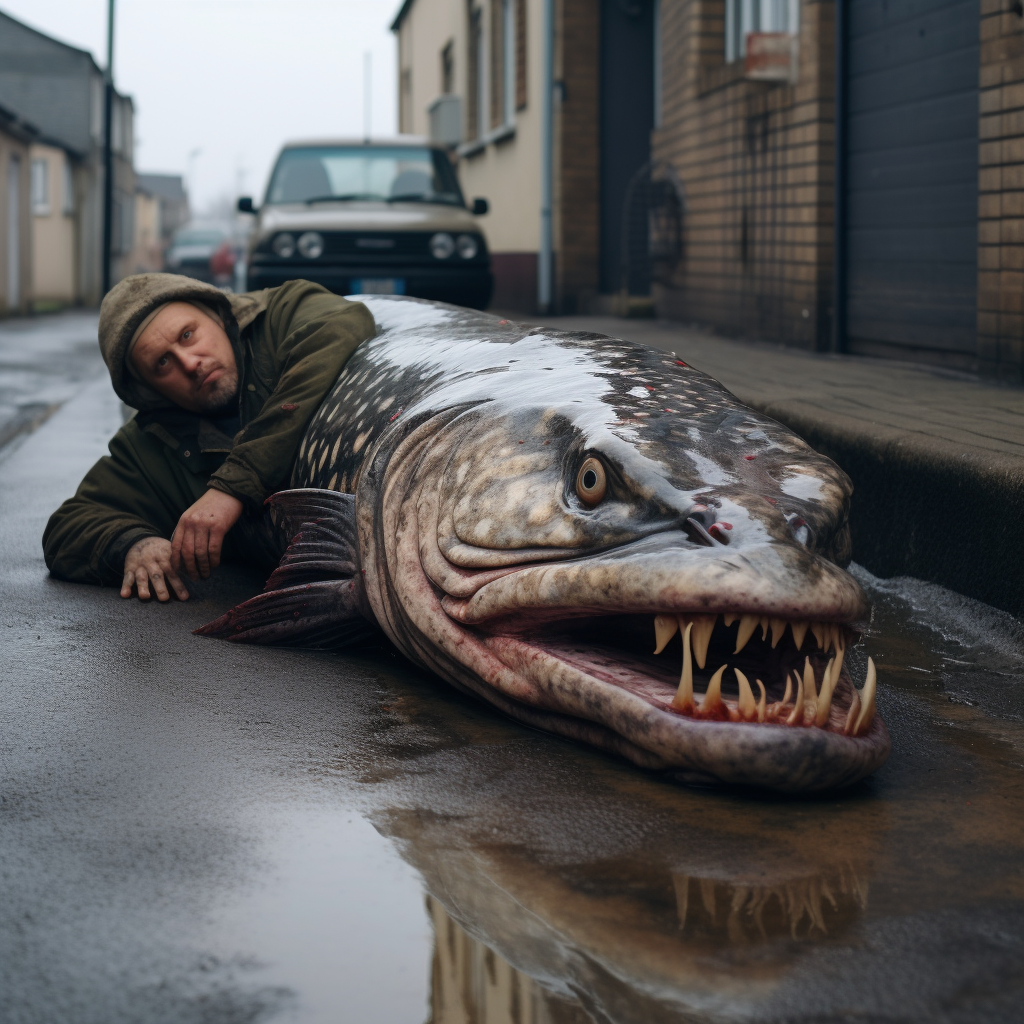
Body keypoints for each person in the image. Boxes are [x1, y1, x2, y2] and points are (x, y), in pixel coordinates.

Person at [43, 273, 375, 602]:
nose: (190, 363)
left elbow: (339, 324)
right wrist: (132, 544)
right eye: (162, 362)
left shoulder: (283, 314)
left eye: (187, 335)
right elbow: (67, 528)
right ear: (149, 392)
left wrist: (232, 487)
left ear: (216, 313)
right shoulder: (151, 445)